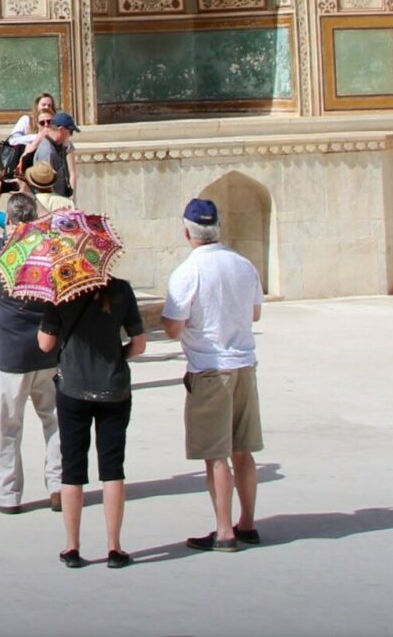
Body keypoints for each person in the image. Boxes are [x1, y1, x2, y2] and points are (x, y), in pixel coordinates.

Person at [162, 196, 266, 552]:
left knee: (216, 454)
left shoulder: (187, 272)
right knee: (244, 449)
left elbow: (174, 329)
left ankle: (224, 530)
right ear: (217, 227)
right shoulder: (243, 264)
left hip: (209, 368)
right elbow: (255, 314)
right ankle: (247, 522)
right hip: (243, 364)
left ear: (187, 232)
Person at [40, 265, 145, 567]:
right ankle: (114, 546)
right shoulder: (122, 289)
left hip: (73, 387)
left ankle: (72, 547)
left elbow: (45, 344)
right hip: (113, 388)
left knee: (72, 468)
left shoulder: (60, 291)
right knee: (113, 468)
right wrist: (115, 356)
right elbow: (139, 345)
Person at [0, 190, 60, 515]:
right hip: (48, 351)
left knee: (6, 428)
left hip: (8, 357)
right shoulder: (48, 251)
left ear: (8, 220)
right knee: (55, 422)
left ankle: (6, 494)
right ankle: (61, 486)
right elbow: (53, 226)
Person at [0, 92, 58, 175]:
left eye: (49, 105)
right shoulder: (26, 120)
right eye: (43, 105)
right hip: (25, 167)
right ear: (37, 106)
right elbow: (13, 140)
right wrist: (37, 137)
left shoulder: (54, 125)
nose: (46, 107)